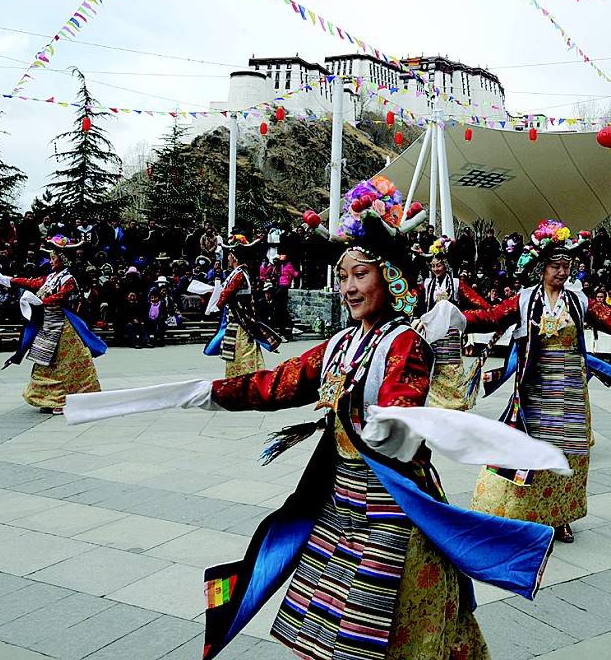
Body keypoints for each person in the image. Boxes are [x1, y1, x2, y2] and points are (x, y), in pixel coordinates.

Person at [66, 177, 568, 660]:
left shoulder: (406, 342)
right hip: (338, 503)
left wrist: (389, 425)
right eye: (344, 276)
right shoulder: (340, 344)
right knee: (329, 621)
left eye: (361, 274)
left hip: (390, 507)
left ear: (389, 276)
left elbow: (402, 400)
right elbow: (275, 384)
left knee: (390, 625)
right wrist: (200, 393)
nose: (348, 287)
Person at [461, 220, 611, 543]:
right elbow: (492, 317)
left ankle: (561, 518)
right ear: (542, 268)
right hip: (536, 391)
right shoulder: (527, 299)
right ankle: (525, 515)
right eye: (555, 266)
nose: (562, 272)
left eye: (566, 266)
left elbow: (608, 319)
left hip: (571, 393)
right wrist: (459, 318)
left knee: (568, 460)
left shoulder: (578, 301)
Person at [0, 236, 106, 414]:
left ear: (63, 259)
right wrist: (7, 280)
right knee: (45, 361)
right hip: (48, 325)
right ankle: (49, 398)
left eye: (54, 258)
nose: (51, 261)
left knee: (68, 364)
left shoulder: (68, 279)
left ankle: (67, 399)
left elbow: (60, 297)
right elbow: (30, 283)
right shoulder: (51, 277)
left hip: (64, 327)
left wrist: (39, 301)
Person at [419, 237, 489, 409]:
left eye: (439, 265)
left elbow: (478, 301)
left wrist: (479, 314)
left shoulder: (456, 284)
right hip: (432, 333)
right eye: (433, 266)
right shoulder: (427, 285)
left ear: (446, 265)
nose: (436, 269)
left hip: (451, 334)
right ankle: (435, 402)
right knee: (435, 367)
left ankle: (455, 401)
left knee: (451, 366)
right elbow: (416, 303)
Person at [204, 235, 281, 377]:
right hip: (238, 315)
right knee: (242, 342)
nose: (228, 258)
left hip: (240, 316)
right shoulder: (240, 272)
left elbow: (229, 292)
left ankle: (245, 373)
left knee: (242, 344)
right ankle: (244, 372)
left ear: (234, 257)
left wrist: (218, 305)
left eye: (229, 255)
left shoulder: (239, 274)